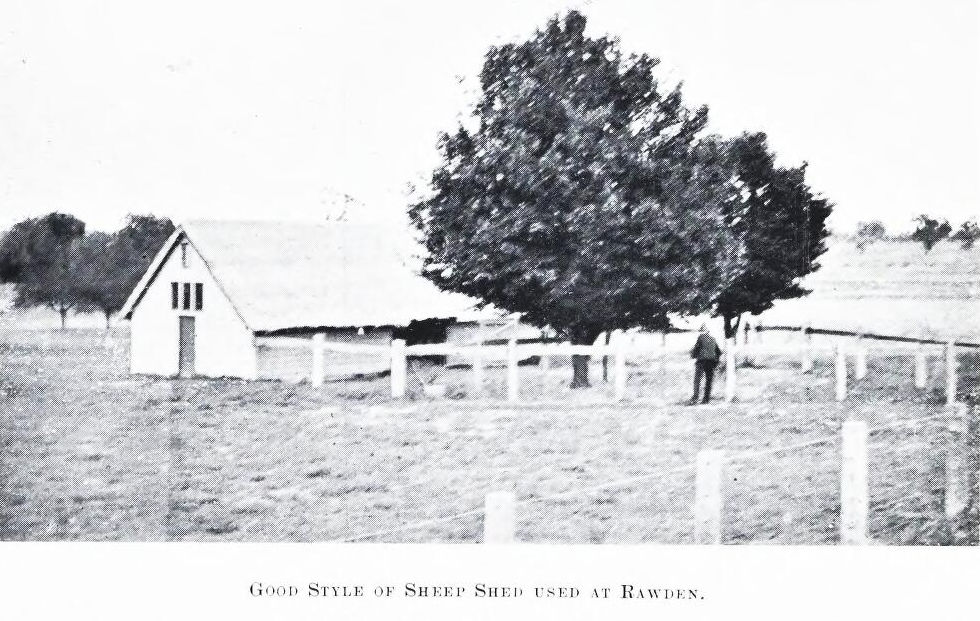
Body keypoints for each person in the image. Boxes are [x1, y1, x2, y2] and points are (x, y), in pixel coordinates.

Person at [689, 323, 722, 405]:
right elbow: (718, 352)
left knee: (697, 380)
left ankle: (696, 397)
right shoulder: (713, 339)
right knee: (709, 381)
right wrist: (716, 362)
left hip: (701, 361)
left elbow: (697, 349)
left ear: (701, 331)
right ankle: (706, 399)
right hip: (711, 362)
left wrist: (693, 355)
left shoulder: (700, 338)